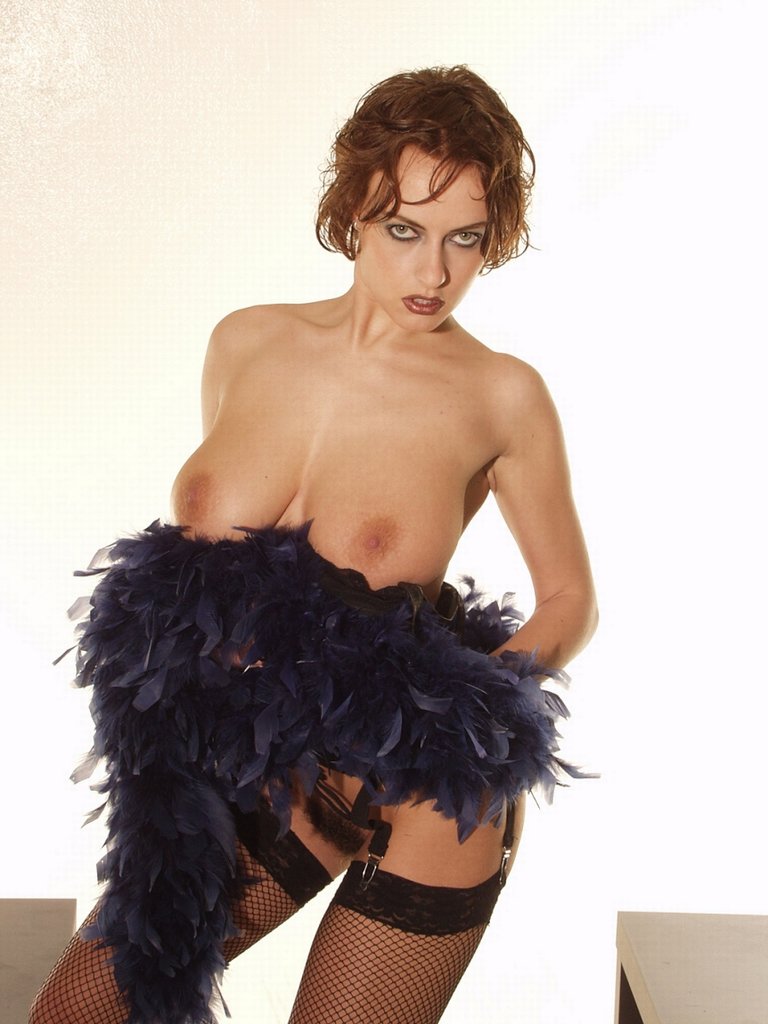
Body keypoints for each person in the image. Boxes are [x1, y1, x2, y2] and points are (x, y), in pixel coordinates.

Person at [30, 65, 597, 1024]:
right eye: (405, 231)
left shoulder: (502, 395)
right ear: (354, 205)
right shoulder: (245, 342)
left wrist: (469, 714)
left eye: (465, 239)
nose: (434, 273)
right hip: (264, 767)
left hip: (427, 789)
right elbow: (229, 573)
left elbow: (569, 599)